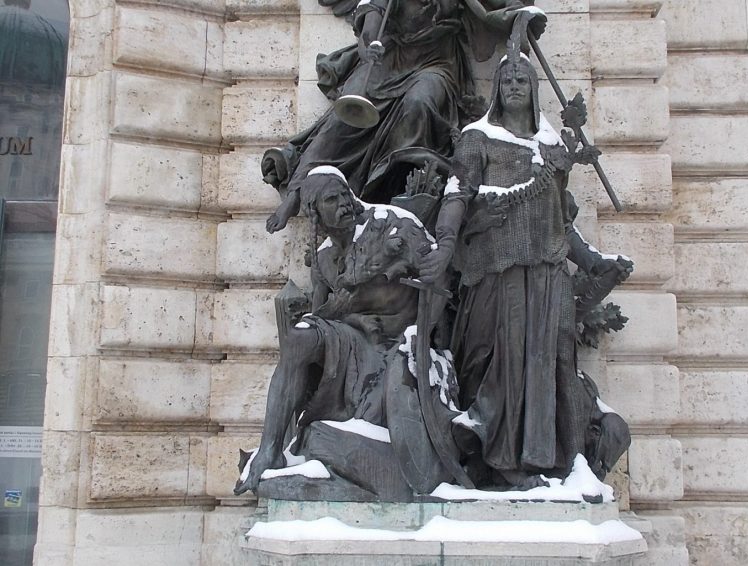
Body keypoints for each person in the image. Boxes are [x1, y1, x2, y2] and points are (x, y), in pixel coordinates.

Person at [419, 49, 630, 488]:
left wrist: (594, 261)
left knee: (549, 363)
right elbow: (456, 195)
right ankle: (495, 459)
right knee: (501, 361)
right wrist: (446, 243)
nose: (514, 86)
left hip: (548, 274)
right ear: (497, 89)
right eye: (507, 80)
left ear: (534, 90)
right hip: (496, 271)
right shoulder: (477, 138)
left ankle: (544, 459)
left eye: (522, 80)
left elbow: (561, 221)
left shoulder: (551, 149)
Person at [261, 0, 546, 234]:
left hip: (437, 63)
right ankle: (296, 193)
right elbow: (370, 25)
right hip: (388, 59)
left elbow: (497, 7)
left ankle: (398, 195)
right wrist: (369, 45)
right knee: (340, 121)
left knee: (419, 103)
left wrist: (520, 17)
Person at [234, 166, 423, 495]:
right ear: (314, 212)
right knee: (298, 339)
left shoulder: (390, 224)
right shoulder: (324, 259)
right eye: (332, 200)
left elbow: (437, 273)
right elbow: (320, 314)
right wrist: (344, 314)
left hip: (398, 339)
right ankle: (270, 450)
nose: (344, 205)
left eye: (344, 195)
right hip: (354, 339)